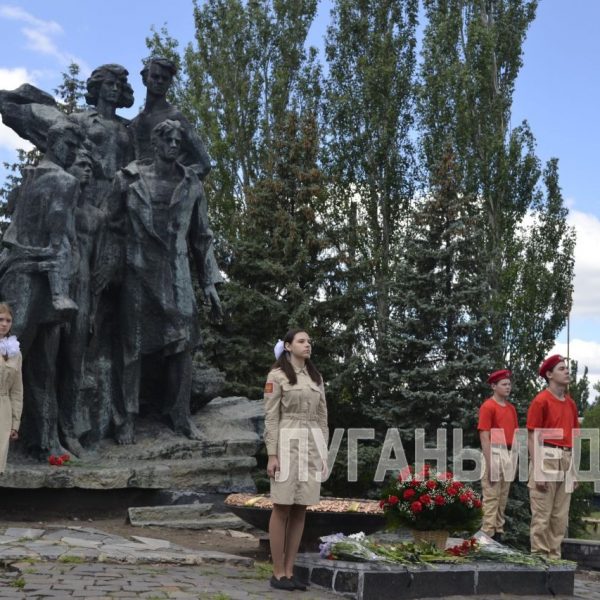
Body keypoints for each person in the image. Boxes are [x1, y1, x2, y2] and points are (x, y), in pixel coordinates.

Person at [105, 119, 222, 444]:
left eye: (178, 141)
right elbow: (110, 226)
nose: (173, 145)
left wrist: (209, 282)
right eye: (168, 139)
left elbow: (202, 236)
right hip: (137, 271)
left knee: (183, 345)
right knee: (132, 347)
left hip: (176, 274)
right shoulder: (128, 179)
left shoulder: (192, 184)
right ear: (155, 143)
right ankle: (124, 419)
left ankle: (180, 416)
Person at [263, 329, 328, 591]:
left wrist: (323, 453)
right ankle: (277, 573)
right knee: (281, 507)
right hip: (287, 443)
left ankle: (290, 572)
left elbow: (323, 417)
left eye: (309, 341)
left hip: (311, 446)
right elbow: (271, 417)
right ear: (288, 346)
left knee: (301, 507)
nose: (307, 344)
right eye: (302, 341)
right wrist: (272, 455)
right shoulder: (276, 376)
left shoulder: (316, 377)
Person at [527, 354, 579, 558]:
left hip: (566, 459)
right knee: (542, 515)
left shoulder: (571, 404)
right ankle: (539, 558)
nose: (566, 371)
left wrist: (573, 471)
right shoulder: (541, 401)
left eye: (566, 368)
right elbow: (532, 437)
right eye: (561, 368)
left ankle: (555, 559)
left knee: (560, 516)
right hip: (546, 456)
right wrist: (538, 469)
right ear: (549, 374)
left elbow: (573, 438)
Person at [129, 57, 211, 179]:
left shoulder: (175, 117)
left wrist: (174, 178)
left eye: (165, 78)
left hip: (168, 192)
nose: (160, 81)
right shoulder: (135, 123)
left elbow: (204, 164)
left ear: (169, 83)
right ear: (145, 80)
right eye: (155, 77)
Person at [478, 369, 519, 542]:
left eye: (509, 384)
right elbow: (484, 435)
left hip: (509, 453)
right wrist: (490, 463)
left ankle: (498, 536)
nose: (508, 387)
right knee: (491, 498)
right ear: (494, 386)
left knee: (502, 500)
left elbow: (516, 434)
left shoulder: (511, 409)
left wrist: (514, 460)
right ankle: (487, 536)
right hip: (493, 452)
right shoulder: (488, 406)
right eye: (504, 384)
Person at [0, 303, 23, 474]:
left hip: (4, 410)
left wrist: (15, 423)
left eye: (8, 320)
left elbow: (17, 391)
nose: (4, 324)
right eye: (0, 319)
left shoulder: (15, 352)